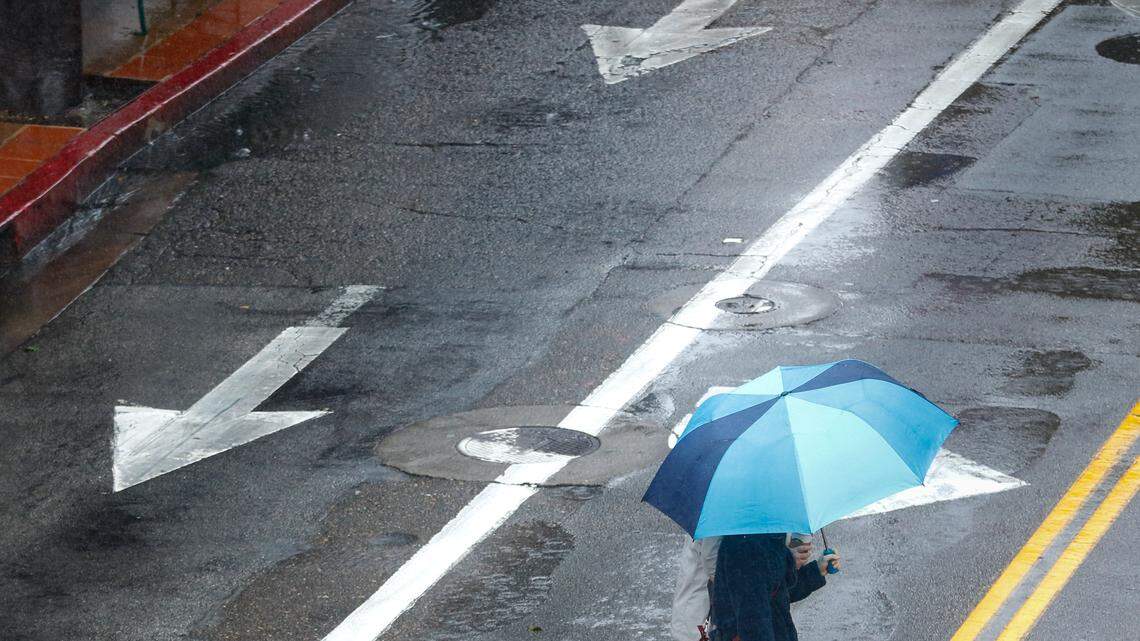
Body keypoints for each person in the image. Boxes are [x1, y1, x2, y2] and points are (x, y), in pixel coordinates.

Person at [671, 535, 830, 641]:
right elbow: (748, 591)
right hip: (704, 622)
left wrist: (814, 571)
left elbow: (774, 593)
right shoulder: (743, 545)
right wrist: (784, 560)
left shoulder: (757, 535)